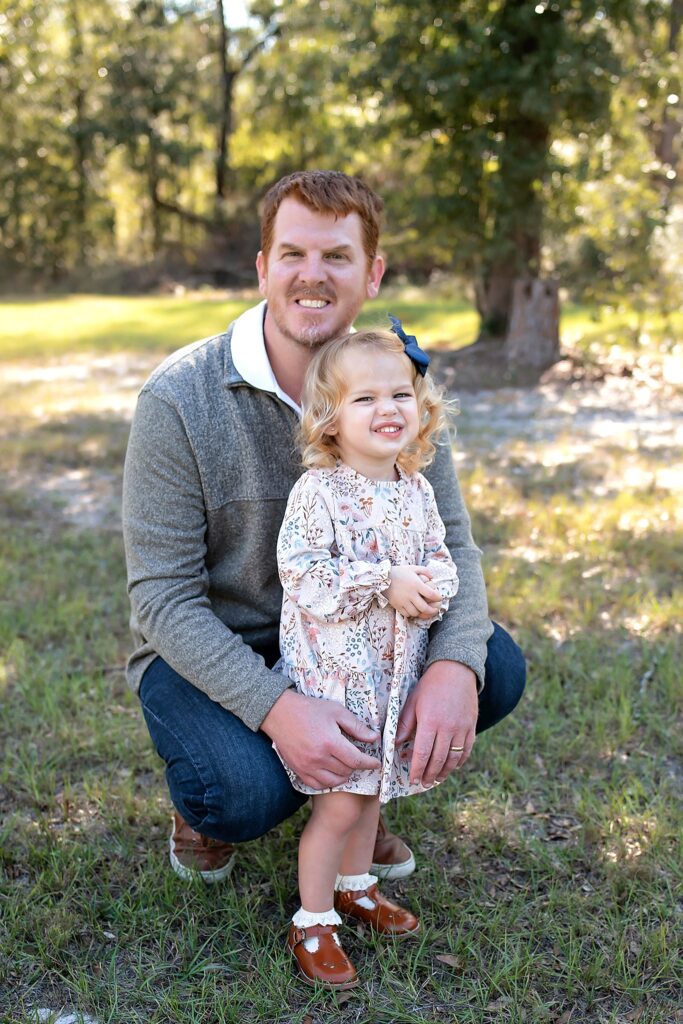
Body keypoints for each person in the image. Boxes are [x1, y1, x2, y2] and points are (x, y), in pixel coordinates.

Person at [122, 169, 525, 890]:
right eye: (293, 255)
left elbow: (451, 543)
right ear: (263, 268)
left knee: (494, 670)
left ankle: (358, 803)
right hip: (225, 641)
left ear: (371, 273)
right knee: (242, 792)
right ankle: (210, 811)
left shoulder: (397, 383)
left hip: (359, 630)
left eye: (336, 257)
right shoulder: (179, 399)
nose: (313, 276)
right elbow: (163, 603)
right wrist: (277, 708)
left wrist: (454, 666)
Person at [276, 324, 460, 988]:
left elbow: (440, 556)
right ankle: (313, 919)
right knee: (340, 804)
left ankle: (355, 887)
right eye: (364, 400)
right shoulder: (319, 493)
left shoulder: (415, 489)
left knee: (373, 793)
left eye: (398, 395)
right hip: (336, 678)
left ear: (420, 407)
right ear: (328, 421)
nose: (386, 410)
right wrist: (383, 582)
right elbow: (301, 575)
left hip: (393, 674)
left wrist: (433, 588)